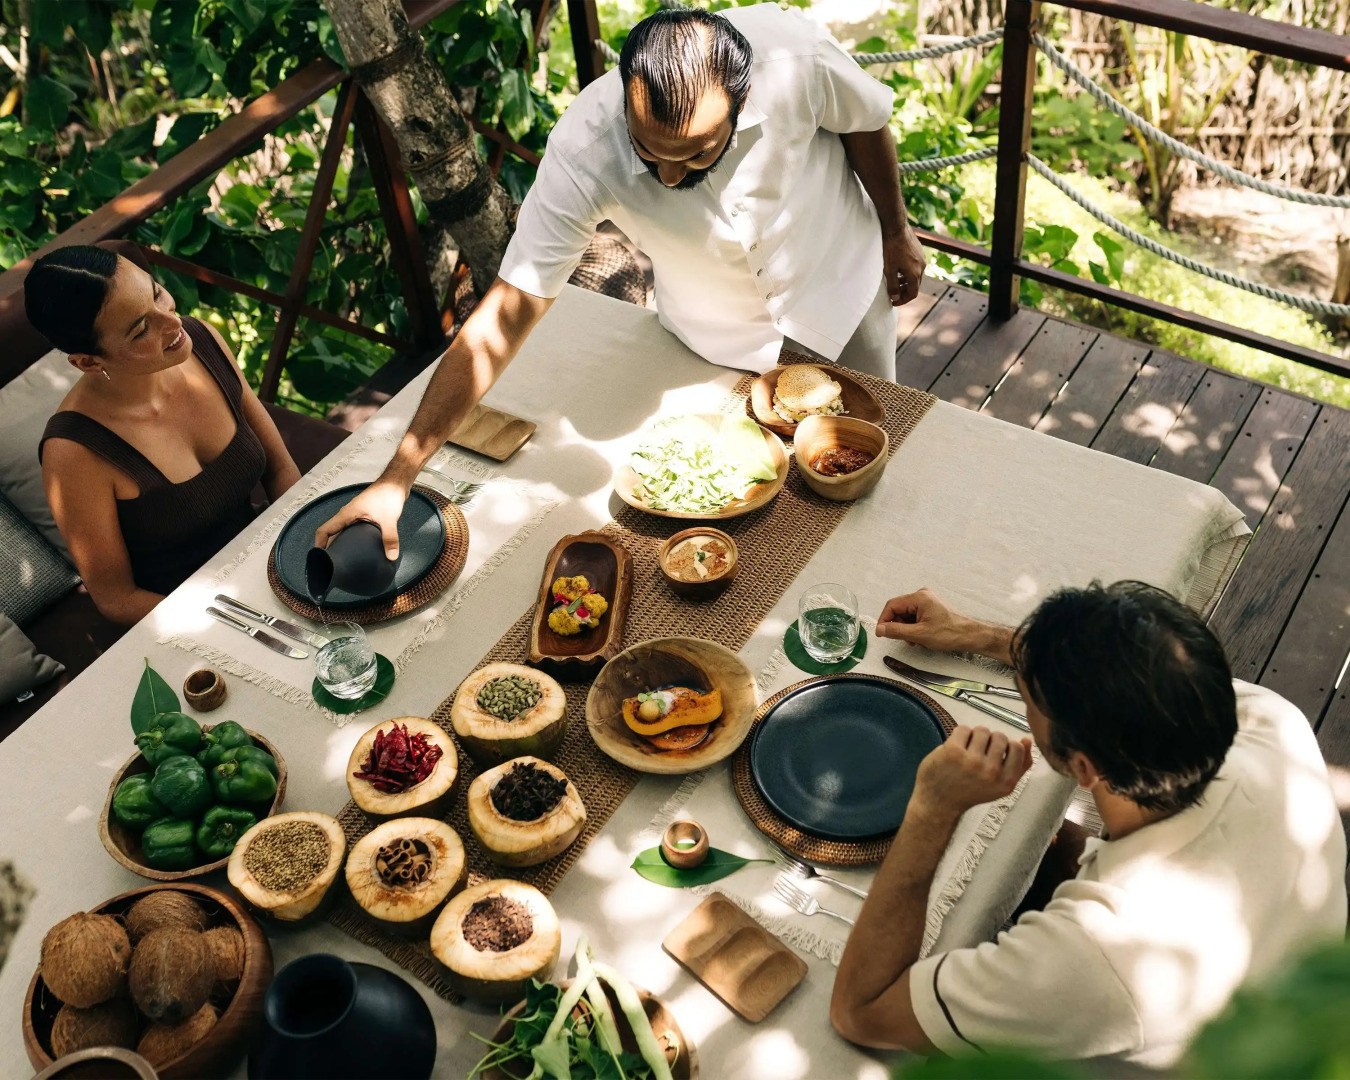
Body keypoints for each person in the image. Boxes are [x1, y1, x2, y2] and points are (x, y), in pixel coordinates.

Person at [316, 4, 924, 556]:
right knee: (755, 517)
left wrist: (897, 231)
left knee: (867, 472)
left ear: (740, 102)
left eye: (694, 154)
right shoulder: (584, 149)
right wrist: (398, 476)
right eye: (646, 148)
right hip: (716, 343)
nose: (664, 174)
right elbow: (504, 314)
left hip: (843, 289)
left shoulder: (797, 56)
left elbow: (865, 123)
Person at [830, 582, 1347, 1069]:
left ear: (1083, 769)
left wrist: (931, 809)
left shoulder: (1098, 955)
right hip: (1299, 983)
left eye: (1026, 695)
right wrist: (976, 635)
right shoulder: (1269, 720)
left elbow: (861, 1011)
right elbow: (1132, 677)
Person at [28, 245, 301, 624]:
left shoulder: (201, 340)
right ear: (88, 362)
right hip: (192, 618)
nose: (173, 324)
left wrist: (303, 554)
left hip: (276, 566)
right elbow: (117, 598)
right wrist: (240, 622)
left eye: (156, 293)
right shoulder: (74, 453)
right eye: (141, 329)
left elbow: (280, 470)